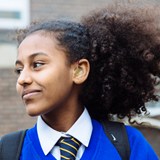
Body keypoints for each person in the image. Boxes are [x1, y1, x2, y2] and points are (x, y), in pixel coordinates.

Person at [2, 4, 160, 160]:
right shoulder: (7, 151)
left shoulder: (129, 146)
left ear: (79, 71)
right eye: (19, 70)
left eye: (37, 65)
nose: (22, 79)